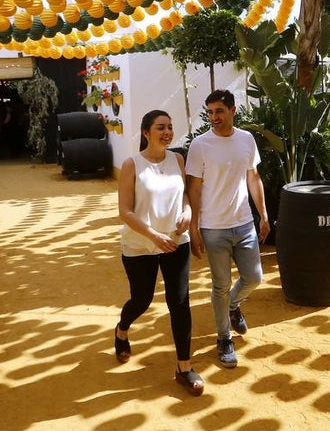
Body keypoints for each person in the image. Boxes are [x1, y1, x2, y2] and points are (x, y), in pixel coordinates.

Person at [115, 110, 203, 396]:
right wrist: (153, 235)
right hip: (140, 245)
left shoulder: (177, 159)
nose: (167, 132)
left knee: (179, 303)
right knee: (141, 300)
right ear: (146, 132)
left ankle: (184, 367)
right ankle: (122, 329)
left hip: (177, 242)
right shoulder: (132, 165)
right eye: (160, 127)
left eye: (169, 127)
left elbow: (186, 194)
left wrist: (188, 212)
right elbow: (125, 211)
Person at [186, 90, 269, 369]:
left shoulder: (246, 140)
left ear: (233, 111)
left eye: (219, 111)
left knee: (254, 277)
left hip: (244, 222)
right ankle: (224, 339)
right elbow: (194, 188)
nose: (213, 117)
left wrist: (264, 215)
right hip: (213, 227)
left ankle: (233, 306)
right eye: (209, 112)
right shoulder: (200, 145)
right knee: (220, 285)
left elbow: (253, 177)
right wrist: (194, 227)